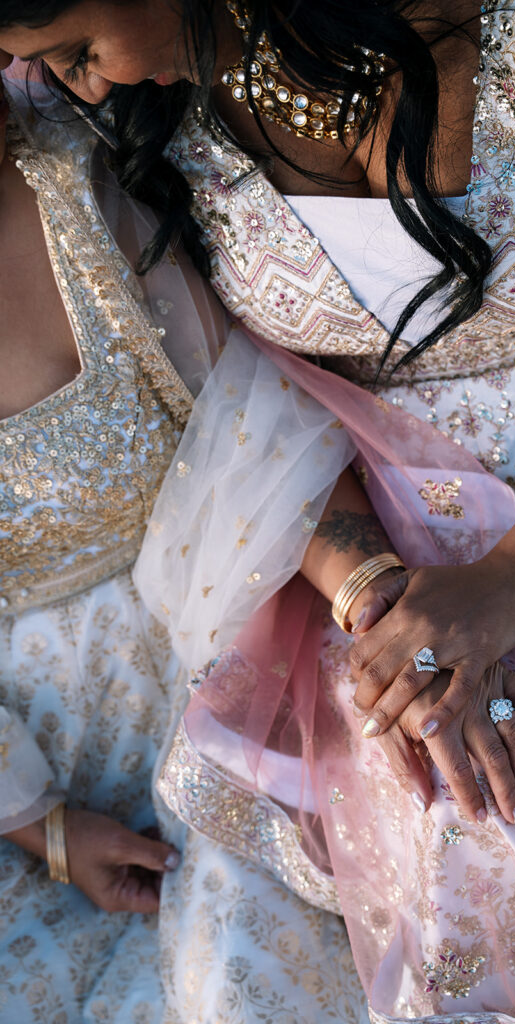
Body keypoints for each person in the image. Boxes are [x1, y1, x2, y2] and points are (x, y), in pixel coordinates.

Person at [0, 0, 515, 1020]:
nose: (78, 88)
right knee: (450, 793)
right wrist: (377, 597)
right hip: (393, 531)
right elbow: (239, 411)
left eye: (76, 50)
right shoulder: (162, 131)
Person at [0, 60, 382, 1023]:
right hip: (23, 754)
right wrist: (41, 827)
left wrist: (366, 590)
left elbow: (252, 437)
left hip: (226, 645)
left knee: (238, 979)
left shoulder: (83, 197)